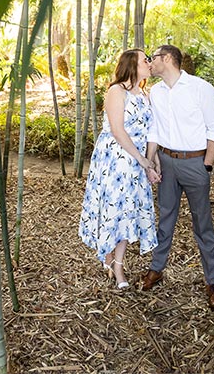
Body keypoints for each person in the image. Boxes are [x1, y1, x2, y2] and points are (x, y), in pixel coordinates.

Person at [141, 44, 214, 310]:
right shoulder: (155, 92)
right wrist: (150, 162)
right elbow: (154, 130)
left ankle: (212, 281)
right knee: (165, 217)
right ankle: (157, 269)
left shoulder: (200, 88)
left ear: (166, 59)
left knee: (203, 224)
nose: (149, 63)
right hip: (166, 162)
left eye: (152, 58)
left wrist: (207, 166)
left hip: (195, 163)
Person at [79, 49, 161, 289]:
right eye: (144, 59)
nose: (148, 63)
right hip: (115, 158)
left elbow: (151, 132)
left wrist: (151, 160)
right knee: (114, 208)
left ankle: (117, 263)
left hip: (136, 161)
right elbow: (117, 130)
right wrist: (142, 160)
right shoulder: (117, 91)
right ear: (131, 65)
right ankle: (111, 260)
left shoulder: (145, 94)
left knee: (127, 213)